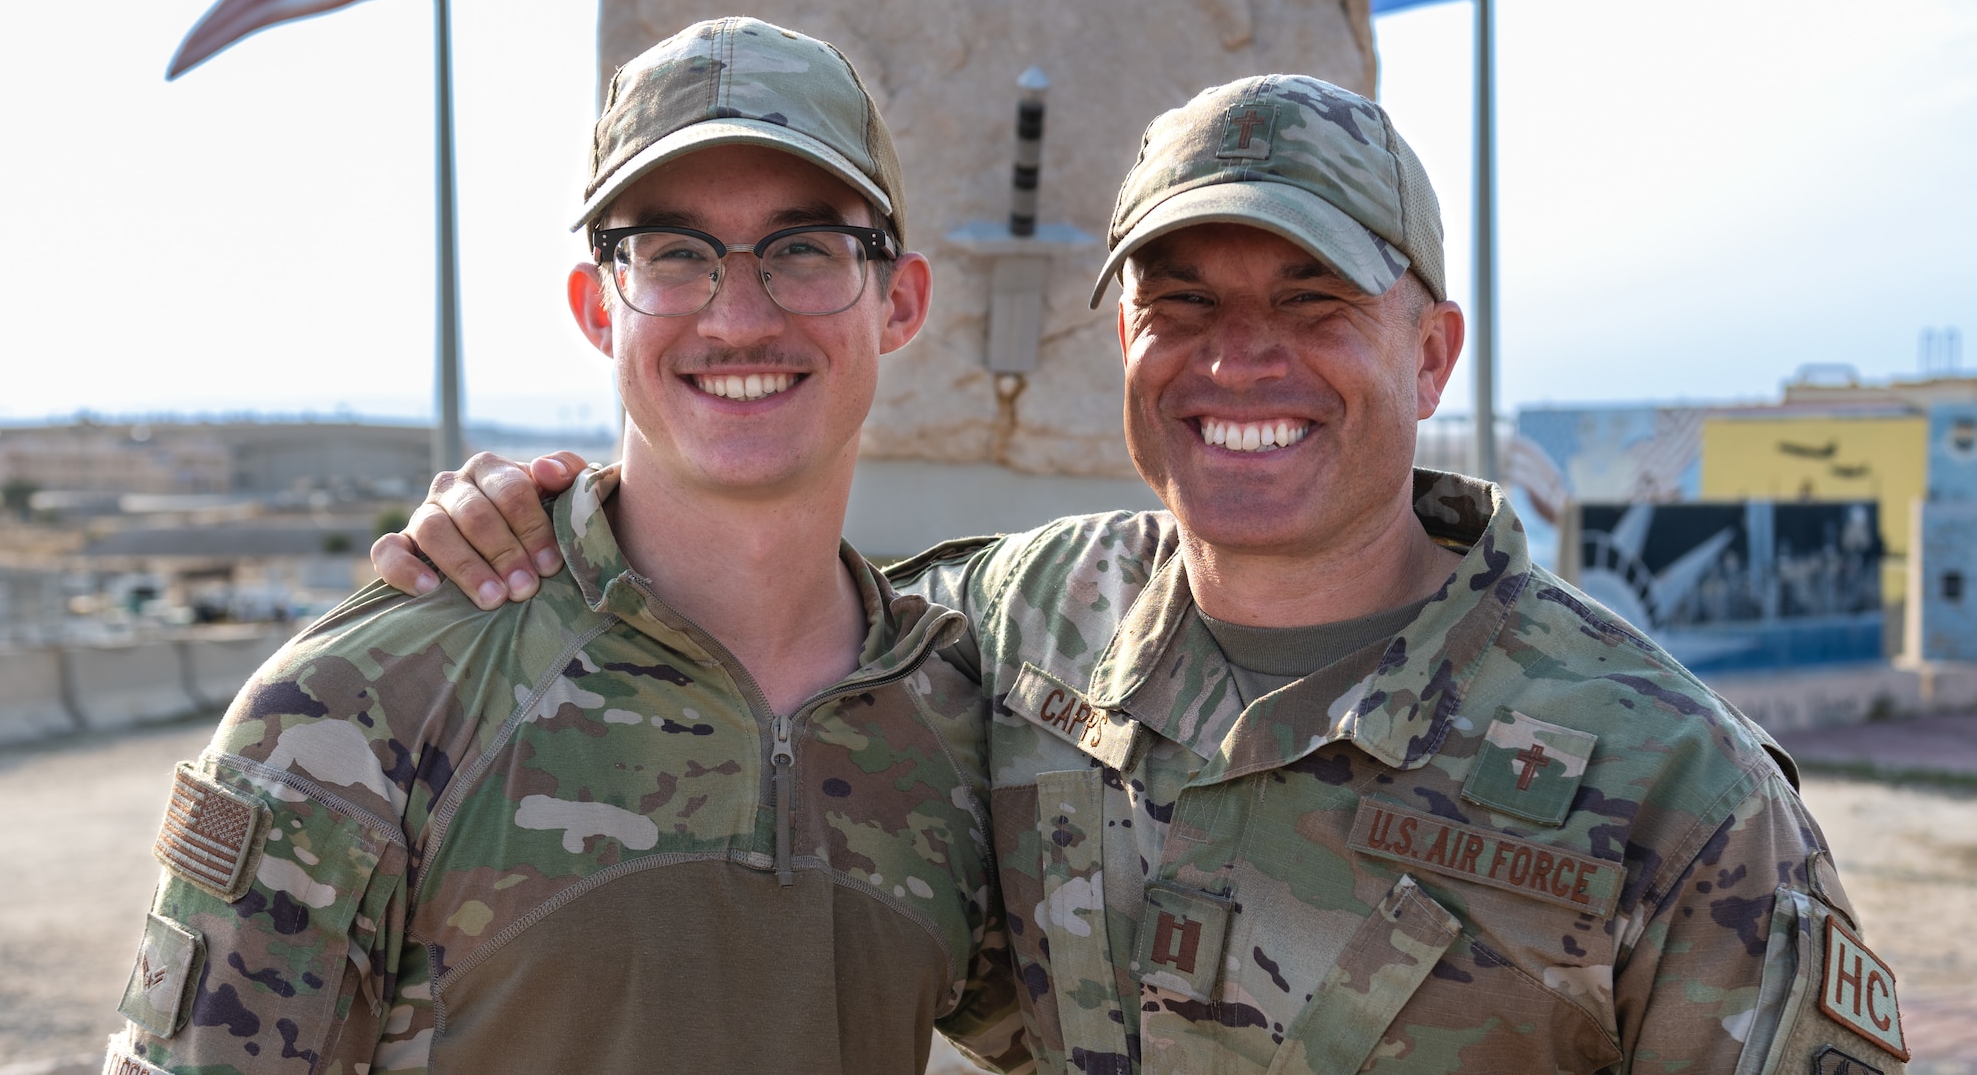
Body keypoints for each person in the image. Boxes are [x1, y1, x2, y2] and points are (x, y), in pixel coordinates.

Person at [382, 75, 1909, 1074]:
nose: (1240, 356)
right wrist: (541, 516)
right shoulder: (1012, 631)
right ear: (1122, 343)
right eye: (1180, 303)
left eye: (1311, 298)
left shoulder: (1668, 786)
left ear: (1430, 350)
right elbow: (758, 633)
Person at [105, 17, 1026, 1075]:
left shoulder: (957, 721)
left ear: (897, 300)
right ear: (597, 308)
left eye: (802, 250)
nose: (734, 317)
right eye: (674, 254)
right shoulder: (360, 710)